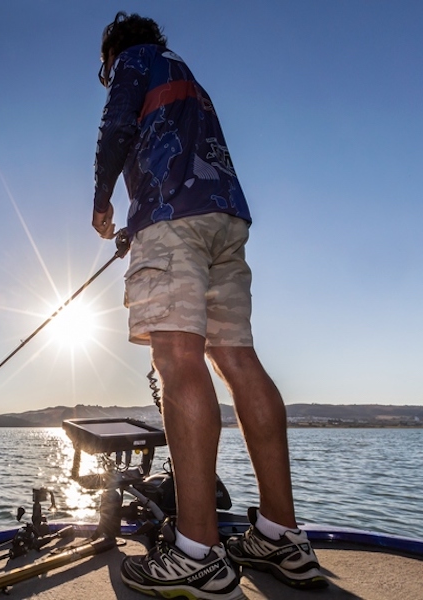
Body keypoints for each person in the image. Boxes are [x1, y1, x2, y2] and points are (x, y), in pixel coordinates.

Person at [91, 12, 327, 599]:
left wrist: (103, 202)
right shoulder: (188, 75)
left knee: (178, 360)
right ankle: (281, 534)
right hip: (226, 218)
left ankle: (196, 551)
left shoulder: (132, 61)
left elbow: (118, 126)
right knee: (238, 359)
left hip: (174, 223)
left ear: (112, 51)